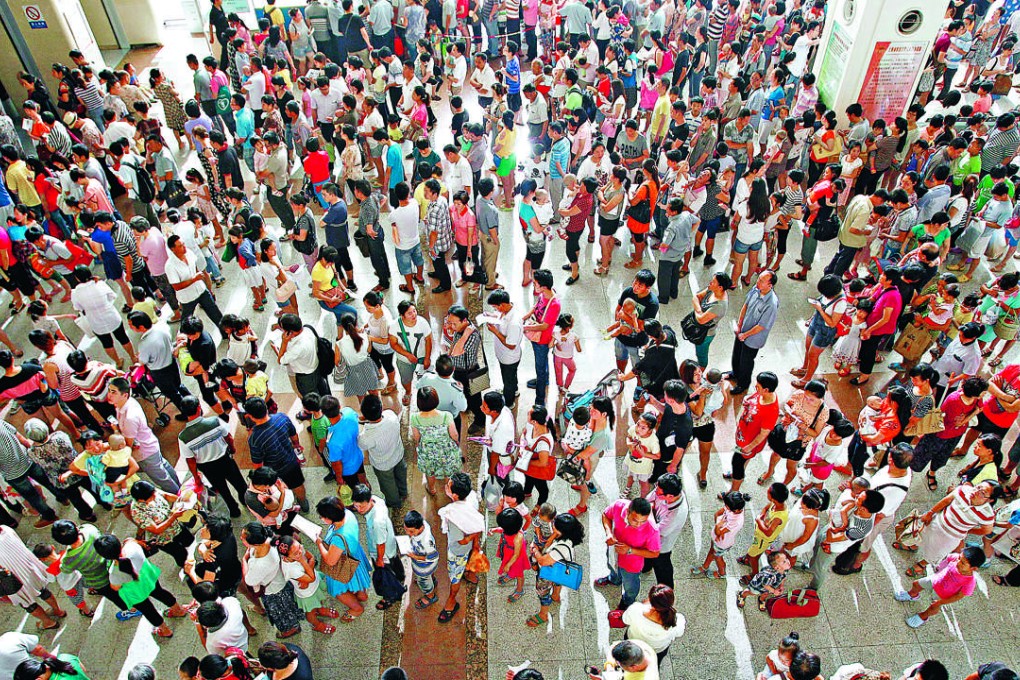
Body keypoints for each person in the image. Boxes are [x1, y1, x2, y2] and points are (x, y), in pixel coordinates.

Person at [594, 497, 661, 613]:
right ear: (628, 512)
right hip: (613, 552)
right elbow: (606, 515)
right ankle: (614, 579)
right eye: (635, 520)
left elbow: (655, 553)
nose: (639, 525)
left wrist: (630, 550)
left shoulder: (652, 530)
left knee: (630, 586)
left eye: (643, 521)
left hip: (632, 564)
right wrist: (609, 533)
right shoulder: (619, 505)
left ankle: (627, 601)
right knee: (612, 568)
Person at [436, 472, 483, 624]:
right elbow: (475, 521)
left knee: (454, 577)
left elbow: (461, 541)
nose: (446, 486)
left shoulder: (452, 515)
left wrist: (471, 536)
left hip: (457, 551)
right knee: (469, 557)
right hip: (470, 545)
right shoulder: (472, 497)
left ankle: (451, 601)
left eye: (448, 485)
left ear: (455, 495)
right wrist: (475, 541)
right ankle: (468, 572)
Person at [727, 271, 779, 396]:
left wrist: (745, 335)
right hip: (743, 331)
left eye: (762, 281)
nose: (758, 282)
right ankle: (735, 373)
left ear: (770, 285)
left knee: (746, 362)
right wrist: (739, 325)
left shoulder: (771, 303)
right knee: (737, 354)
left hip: (753, 338)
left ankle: (743, 384)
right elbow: (745, 306)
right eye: (759, 279)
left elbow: (761, 326)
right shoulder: (755, 290)